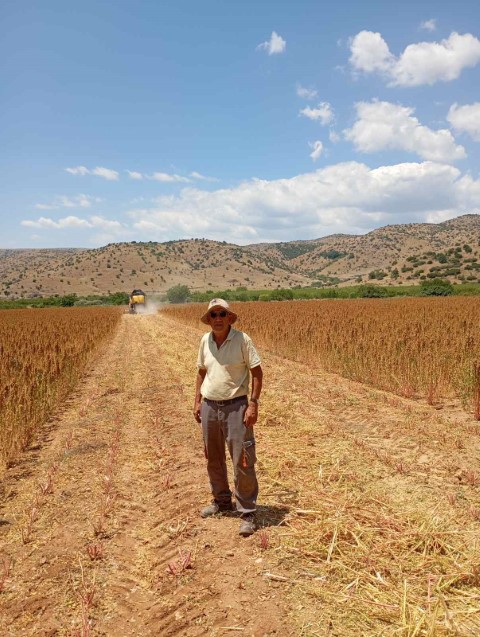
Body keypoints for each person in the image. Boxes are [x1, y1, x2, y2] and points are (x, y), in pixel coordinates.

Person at [193, 298, 263, 537]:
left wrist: (253, 404)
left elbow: (257, 373)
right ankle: (222, 501)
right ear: (209, 319)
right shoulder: (205, 340)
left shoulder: (242, 340)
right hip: (210, 406)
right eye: (213, 315)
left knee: (242, 459)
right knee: (213, 457)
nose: (218, 319)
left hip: (236, 407)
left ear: (229, 317)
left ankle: (247, 511)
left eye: (222, 314)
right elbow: (201, 372)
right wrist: (197, 401)